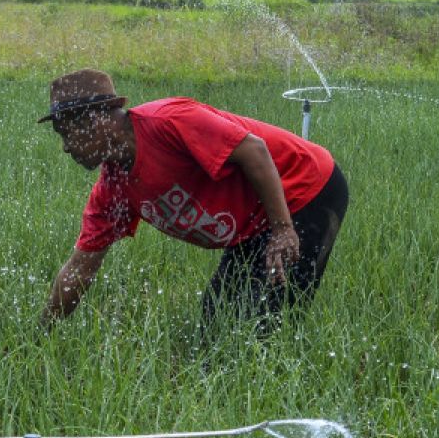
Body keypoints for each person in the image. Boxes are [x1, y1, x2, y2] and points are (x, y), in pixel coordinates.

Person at [37, 69, 349, 336]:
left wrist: (283, 229)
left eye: (68, 134)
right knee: (217, 319)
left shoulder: (169, 121)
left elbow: (254, 150)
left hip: (306, 189)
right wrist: (40, 334)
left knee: (267, 322)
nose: (65, 148)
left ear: (97, 121)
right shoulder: (111, 191)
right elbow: (80, 269)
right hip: (252, 223)